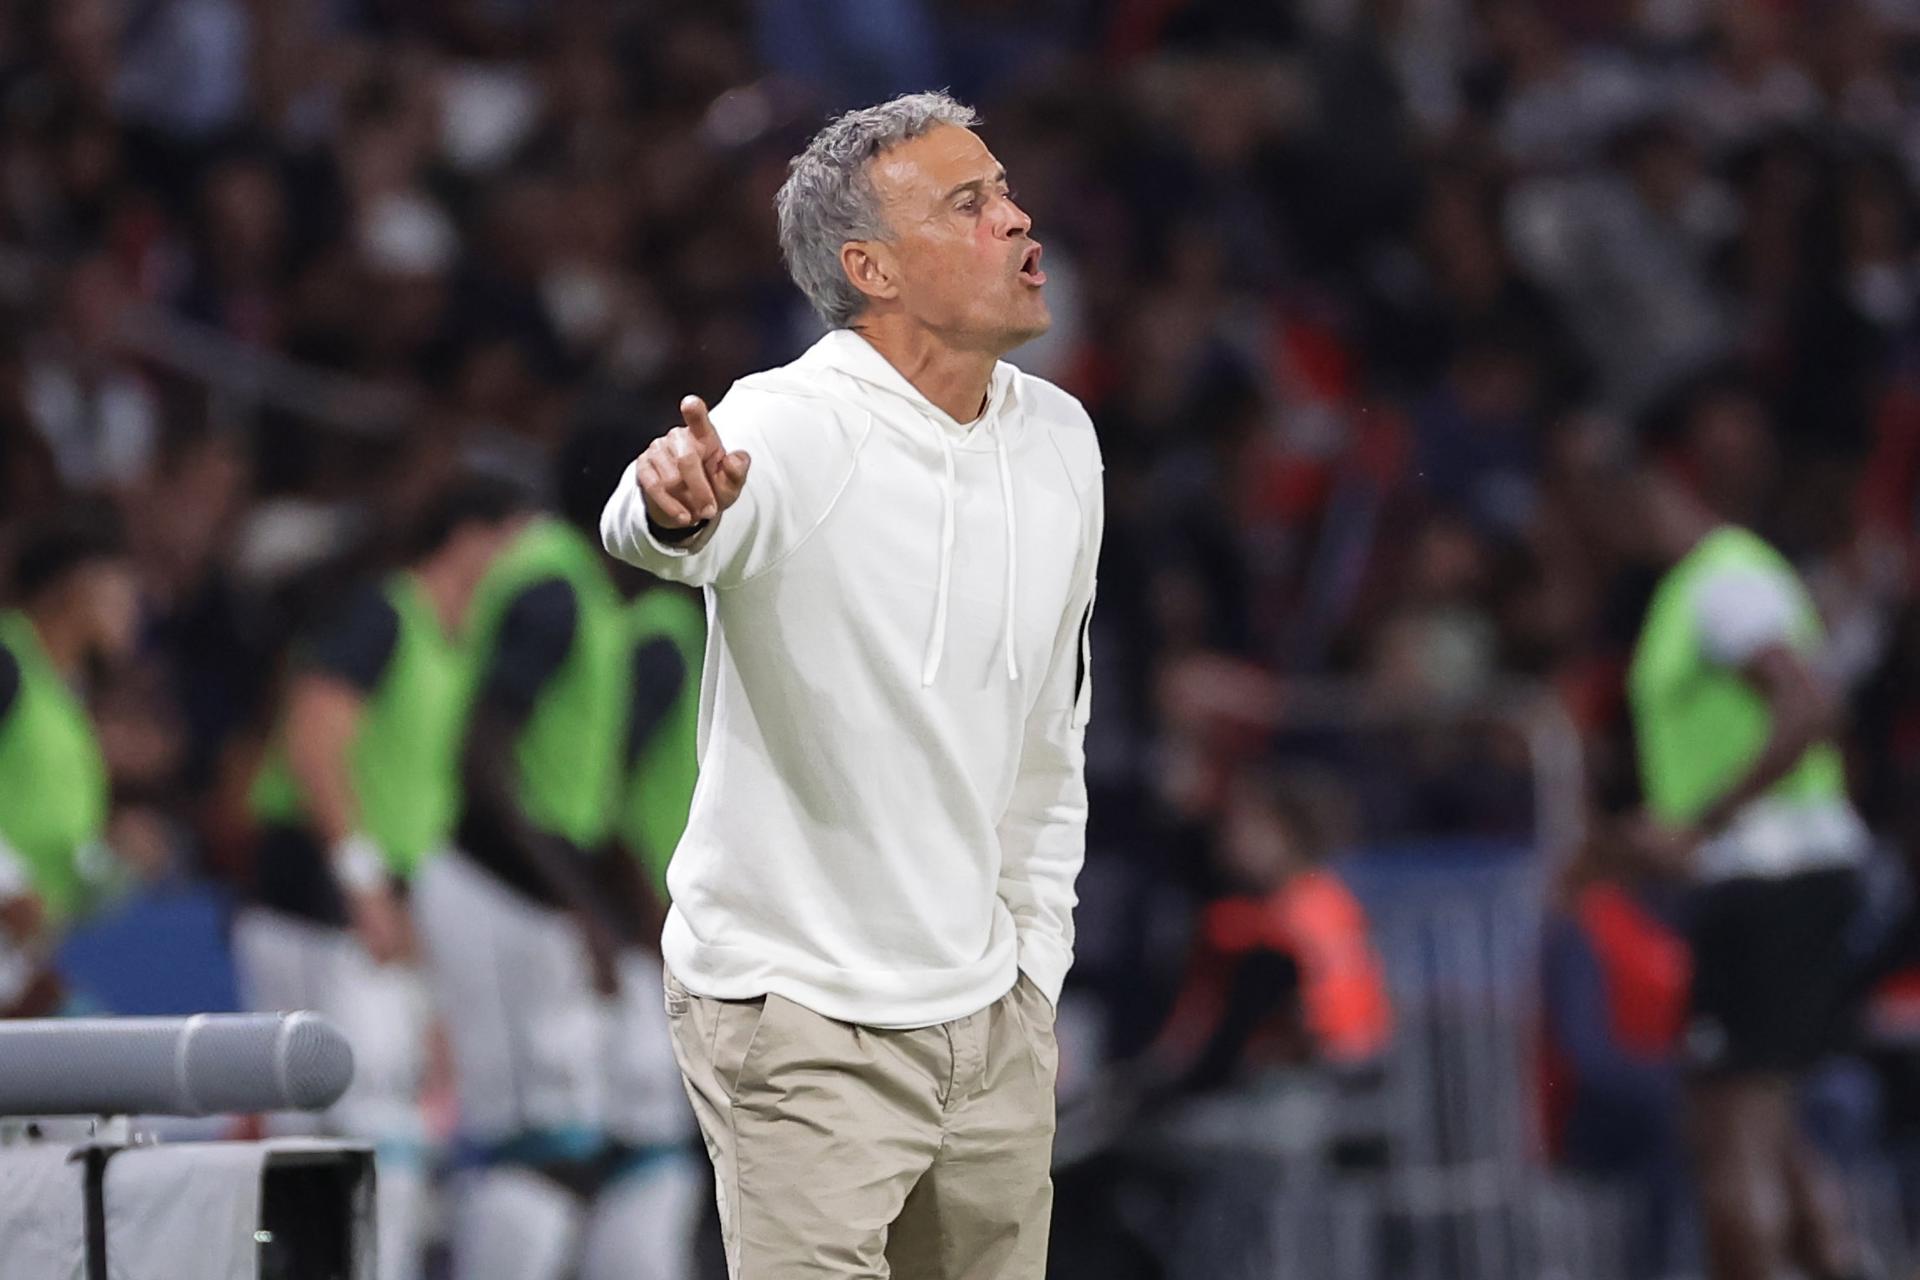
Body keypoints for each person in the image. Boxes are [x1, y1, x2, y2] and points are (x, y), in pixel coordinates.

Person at [601, 90, 1103, 1280]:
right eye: (970, 202)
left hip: (989, 1015)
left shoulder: (1064, 440)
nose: (1018, 217)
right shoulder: (794, 419)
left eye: (1007, 188)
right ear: (871, 266)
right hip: (804, 1014)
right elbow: (670, 515)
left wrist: (1037, 964)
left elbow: (1051, 736)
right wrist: (672, 501)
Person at [235, 475, 527, 1280]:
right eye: (514, 546)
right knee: (330, 1135)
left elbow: (417, 808)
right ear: (471, 537)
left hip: (379, 904)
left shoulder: (450, 644)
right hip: (314, 901)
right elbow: (315, 738)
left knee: (389, 1135)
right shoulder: (382, 614)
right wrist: (361, 882)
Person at [1620, 462, 1871, 1280]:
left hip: (1771, 874)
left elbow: (1807, 707)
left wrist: (1697, 821)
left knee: (1727, 1133)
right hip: (1780, 876)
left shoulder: (1724, 582)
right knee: (1773, 1129)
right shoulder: (1707, 583)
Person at [411, 431, 637, 1280]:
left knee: (559, 1140)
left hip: (527, 889)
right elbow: (483, 750)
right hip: (494, 883)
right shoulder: (553, 588)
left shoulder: (576, 584)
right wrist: (579, 903)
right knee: (534, 1142)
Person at [0, 508, 139, 1018]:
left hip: (26, 958)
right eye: (121, 593)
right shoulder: (6, 661)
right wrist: (7, 887)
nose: (134, 612)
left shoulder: (64, 697)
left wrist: (113, 865)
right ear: (75, 590)